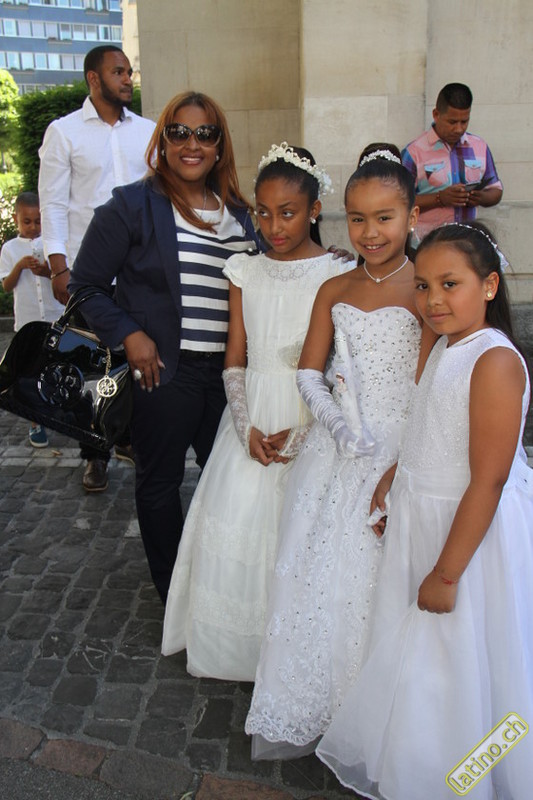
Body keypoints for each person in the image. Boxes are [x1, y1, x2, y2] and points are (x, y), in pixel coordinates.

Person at [316, 223, 533, 800]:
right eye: (422, 285)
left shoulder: (493, 361)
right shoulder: (443, 346)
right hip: (424, 517)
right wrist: (398, 474)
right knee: (428, 659)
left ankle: (472, 776)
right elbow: (430, 427)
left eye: (449, 284)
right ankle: (424, 766)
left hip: (465, 537)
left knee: (464, 657)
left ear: (489, 286)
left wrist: (447, 573)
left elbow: (489, 479)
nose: (433, 300)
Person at [245, 148, 426, 759]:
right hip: (337, 448)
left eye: (384, 218)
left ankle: (383, 717)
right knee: (322, 576)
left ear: (412, 217)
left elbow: (431, 386)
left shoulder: (426, 288)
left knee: (380, 578)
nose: (369, 232)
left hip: (400, 446)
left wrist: (402, 460)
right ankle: (326, 703)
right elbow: (309, 372)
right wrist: (337, 426)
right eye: (357, 219)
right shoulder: (335, 287)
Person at [161, 142, 353, 680]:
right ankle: (237, 650)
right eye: (263, 214)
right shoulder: (244, 270)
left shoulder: (339, 271)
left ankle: (295, 652)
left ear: (314, 209)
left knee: (302, 530)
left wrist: (309, 430)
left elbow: (341, 366)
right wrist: (245, 427)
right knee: (238, 521)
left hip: (310, 414)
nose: (273, 226)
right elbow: (235, 359)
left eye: (287, 213)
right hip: (252, 415)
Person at [69, 91, 263, 603]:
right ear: (163, 140)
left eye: (205, 134)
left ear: (219, 146)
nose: (191, 144)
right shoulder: (132, 205)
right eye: (179, 132)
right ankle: (176, 592)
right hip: (164, 373)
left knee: (236, 481)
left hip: (230, 376)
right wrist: (130, 334)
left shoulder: (241, 215)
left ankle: (225, 581)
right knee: (160, 484)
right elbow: (84, 285)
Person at [38, 44, 156, 491]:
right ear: (94, 78)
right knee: (93, 365)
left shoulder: (147, 131)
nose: (128, 79)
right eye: (118, 72)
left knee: (136, 358)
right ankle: (95, 453)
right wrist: (58, 267)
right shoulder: (64, 132)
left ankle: (130, 437)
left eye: (129, 72)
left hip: (139, 268)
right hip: (90, 273)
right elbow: (52, 202)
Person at [0, 191, 64, 448]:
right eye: (27, 221)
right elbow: (6, 285)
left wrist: (46, 271)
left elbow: (60, 278)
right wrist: (20, 266)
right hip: (27, 322)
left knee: (55, 366)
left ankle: (57, 410)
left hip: (54, 318)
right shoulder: (10, 249)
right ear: (16, 219)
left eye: (38, 221)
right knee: (28, 371)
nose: (33, 227)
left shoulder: (52, 245)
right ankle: (35, 422)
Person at [402, 83, 503, 240]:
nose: (458, 129)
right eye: (452, 122)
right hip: (426, 244)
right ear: (436, 114)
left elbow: (495, 190)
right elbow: (399, 201)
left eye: (464, 122)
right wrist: (439, 199)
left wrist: (480, 197)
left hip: (468, 242)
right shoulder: (413, 152)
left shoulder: (480, 147)